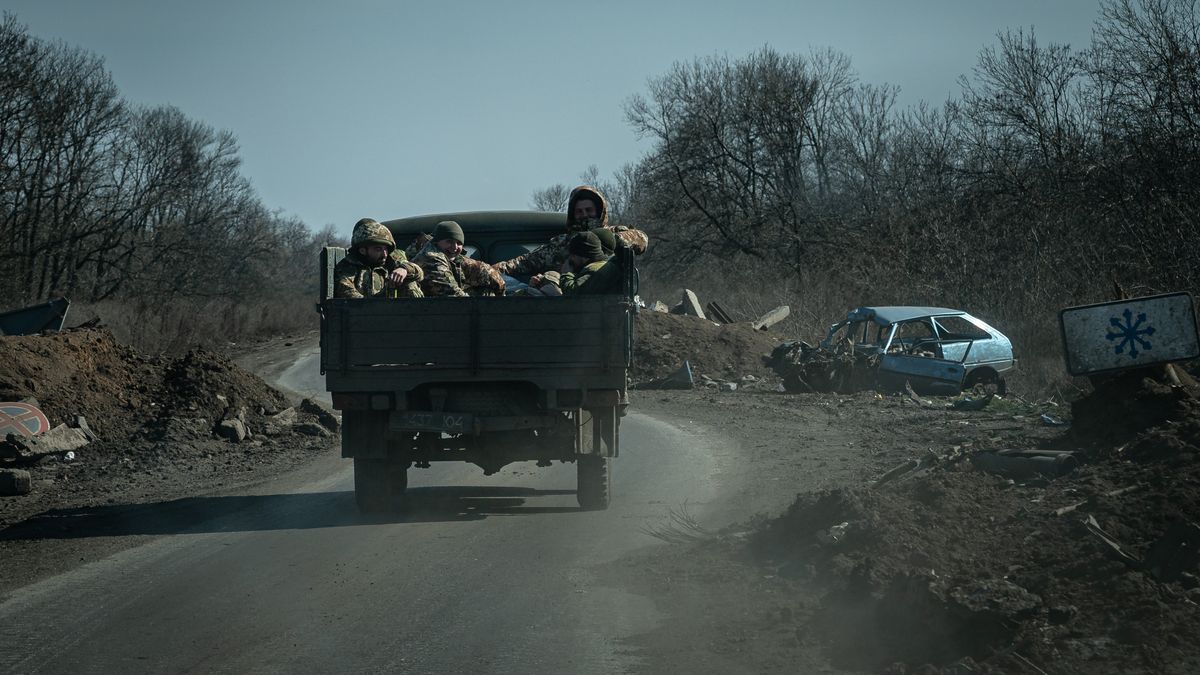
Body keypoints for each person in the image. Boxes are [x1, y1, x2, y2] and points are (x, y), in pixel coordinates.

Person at [494, 185, 647, 282]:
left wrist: (617, 240)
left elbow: (642, 238)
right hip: (571, 305)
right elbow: (522, 263)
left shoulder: (613, 234)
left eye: (589, 210)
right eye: (579, 211)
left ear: (599, 211)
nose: (584, 215)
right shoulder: (561, 243)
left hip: (608, 304)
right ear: (573, 214)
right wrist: (490, 271)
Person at [333, 218, 424, 298]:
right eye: (378, 249)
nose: (384, 254)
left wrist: (404, 269)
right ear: (363, 250)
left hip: (396, 312)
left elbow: (419, 273)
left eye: (386, 249)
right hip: (364, 314)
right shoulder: (348, 266)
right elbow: (347, 293)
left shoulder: (391, 259)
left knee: (410, 283)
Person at [413, 220, 505, 297]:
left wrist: (500, 294)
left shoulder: (453, 258)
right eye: (449, 241)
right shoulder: (432, 258)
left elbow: (485, 271)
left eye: (459, 243)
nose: (454, 247)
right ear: (437, 242)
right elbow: (455, 297)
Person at [557, 231, 623, 295]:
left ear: (583, 256)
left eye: (573, 255)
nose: (570, 259)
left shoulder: (595, 270)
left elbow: (573, 295)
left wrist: (565, 274)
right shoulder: (602, 264)